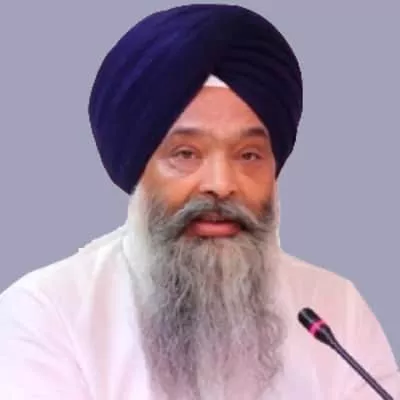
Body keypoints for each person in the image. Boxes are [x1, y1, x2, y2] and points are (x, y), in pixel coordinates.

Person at [0, 4, 398, 400]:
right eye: (186, 154)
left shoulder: (334, 311)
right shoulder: (47, 313)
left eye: (249, 155)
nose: (221, 185)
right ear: (138, 169)